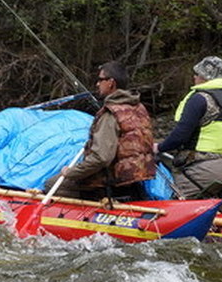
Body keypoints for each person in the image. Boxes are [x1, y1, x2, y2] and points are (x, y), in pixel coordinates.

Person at [42, 61, 156, 201]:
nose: (97, 84)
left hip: (111, 182)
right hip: (136, 177)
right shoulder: (139, 107)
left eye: (100, 80)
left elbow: (101, 158)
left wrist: (71, 172)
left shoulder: (110, 114)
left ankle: (86, 209)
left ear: (111, 83)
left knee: (51, 184)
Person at [155, 56, 222, 199]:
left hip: (201, 170)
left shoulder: (200, 99)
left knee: (169, 198)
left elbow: (180, 136)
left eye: (197, 74)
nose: (194, 77)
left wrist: (158, 148)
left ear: (206, 77)